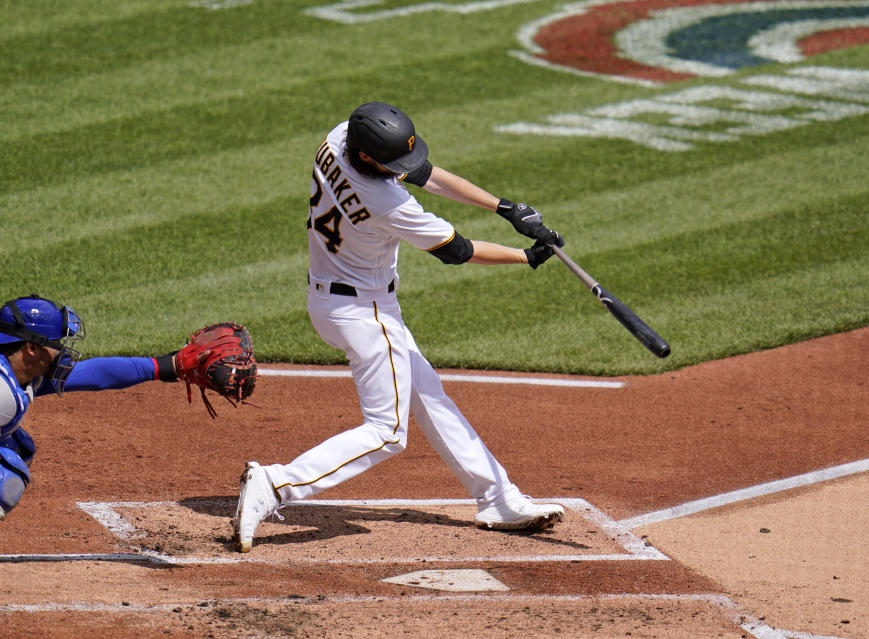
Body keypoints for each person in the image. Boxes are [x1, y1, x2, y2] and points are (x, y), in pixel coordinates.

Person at [234, 102, 566, 552]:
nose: (400, 170)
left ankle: (498, 498)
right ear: (369, 158)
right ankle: (276, 484)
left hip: (330, 299)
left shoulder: (338, 139)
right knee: (386, 432)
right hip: (366, 314)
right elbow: (458, 250)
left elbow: (424, 172)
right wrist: (526, 255)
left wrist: (506, 207)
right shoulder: (385, 203)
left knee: (428, 394)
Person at [0, 295, 188, 519]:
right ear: (31, 348)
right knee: (6, 475)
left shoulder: (23, 371)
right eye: (55, 344)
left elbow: (95, 373)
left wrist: (167, 366)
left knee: (18, 446)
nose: (62, 351)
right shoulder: (4, 393)